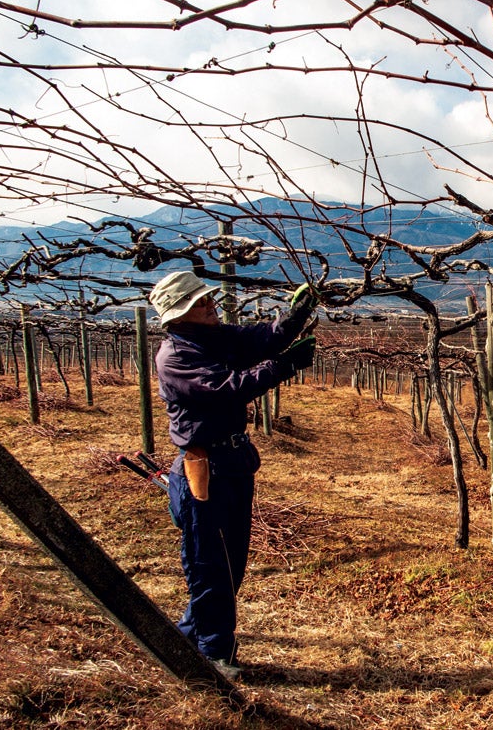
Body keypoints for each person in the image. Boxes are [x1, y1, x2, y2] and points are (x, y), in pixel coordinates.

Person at [149, 270, 318, 679]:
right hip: (203, 472)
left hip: (233, 465)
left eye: (205, 299)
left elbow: (255, 340)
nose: (209, 305)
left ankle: (186, 638)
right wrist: (284, 366)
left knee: (231, 564)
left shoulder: (210, 337)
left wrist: (292, 320)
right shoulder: (175, 357)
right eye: (198, 303)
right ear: (178, 316)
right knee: (209, 566)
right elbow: (227, 388)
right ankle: (212, 658)